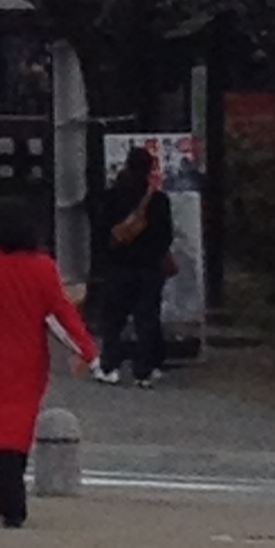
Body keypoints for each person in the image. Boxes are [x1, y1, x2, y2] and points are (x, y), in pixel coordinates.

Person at [0, 195, 93, 527]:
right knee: (19, 427)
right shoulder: (42, 266)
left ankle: (9, 494)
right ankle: (10, 493)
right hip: (30, 359)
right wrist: (86, 348)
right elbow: (63, 312)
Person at [90, 143, 174, 382]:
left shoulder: (112, 197)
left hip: (118, 266)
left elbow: (101, 232)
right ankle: (144, 370)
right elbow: (166, 235)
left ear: (126, 166)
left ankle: (109, 366)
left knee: (113, 319)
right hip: (148, 268)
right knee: (146, 319)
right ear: (150, 170)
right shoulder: (158, 200)